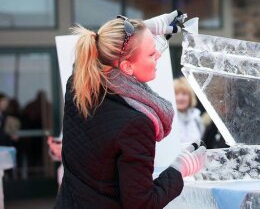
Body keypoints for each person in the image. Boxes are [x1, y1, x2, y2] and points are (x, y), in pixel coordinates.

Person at [55, 12, 206, 209]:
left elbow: (93, 58)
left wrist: (139, 32)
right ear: (126, 67)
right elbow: (141, 204)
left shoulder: (78, 88)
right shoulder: (136, 124)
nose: (158, 56)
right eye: (151, 54)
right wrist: (180, 168)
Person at [174, 77, 204, 144]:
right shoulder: (169, 120)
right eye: (176, 93)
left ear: (190, 97)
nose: (180, 98)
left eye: (184, 94)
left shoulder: (196, 117)